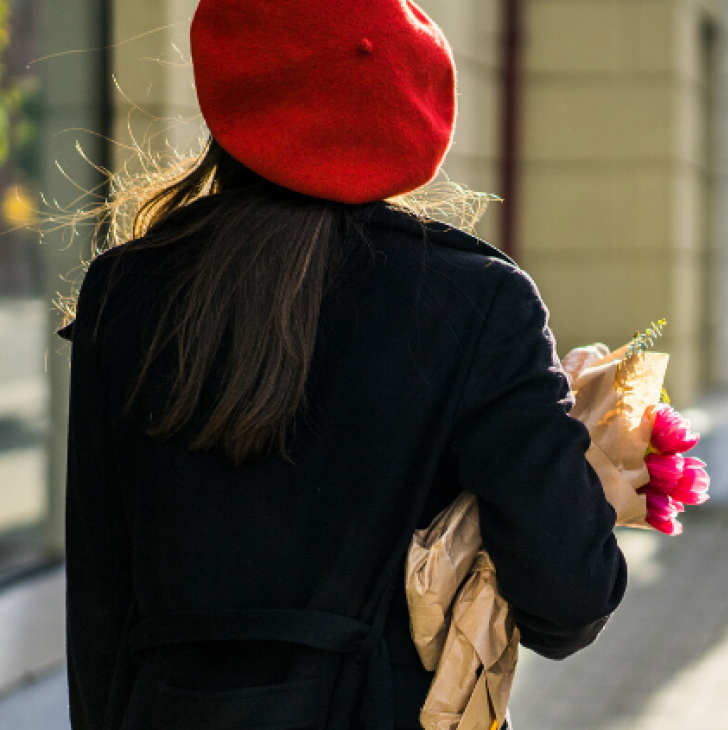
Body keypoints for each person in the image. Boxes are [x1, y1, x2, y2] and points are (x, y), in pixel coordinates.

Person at [60, 2, 627, 728]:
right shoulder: (479, 301)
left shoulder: (126, 290)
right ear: (410, 112)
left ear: (229, 96)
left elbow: (100, 609)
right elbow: (568, 603)